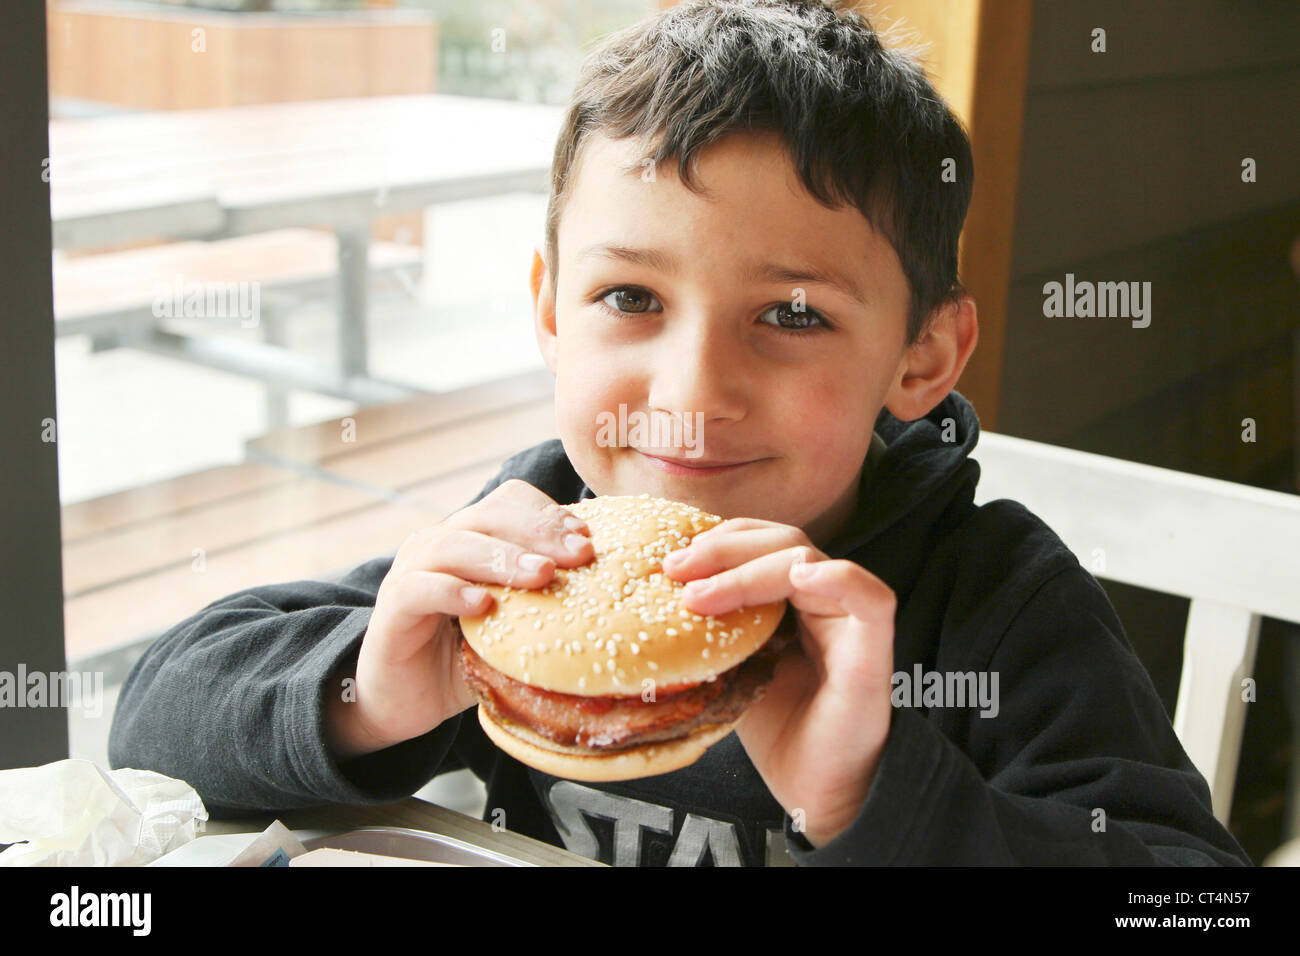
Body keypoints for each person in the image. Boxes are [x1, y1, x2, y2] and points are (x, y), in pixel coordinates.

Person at [109, 0, 1251, 866]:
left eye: (793, 314)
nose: (691, 390)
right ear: (553, 311)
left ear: (921, 358)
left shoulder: (993, 599)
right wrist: (374, 689)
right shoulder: (541, 547)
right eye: (630, 299)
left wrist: (876, 793)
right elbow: (152, 721)